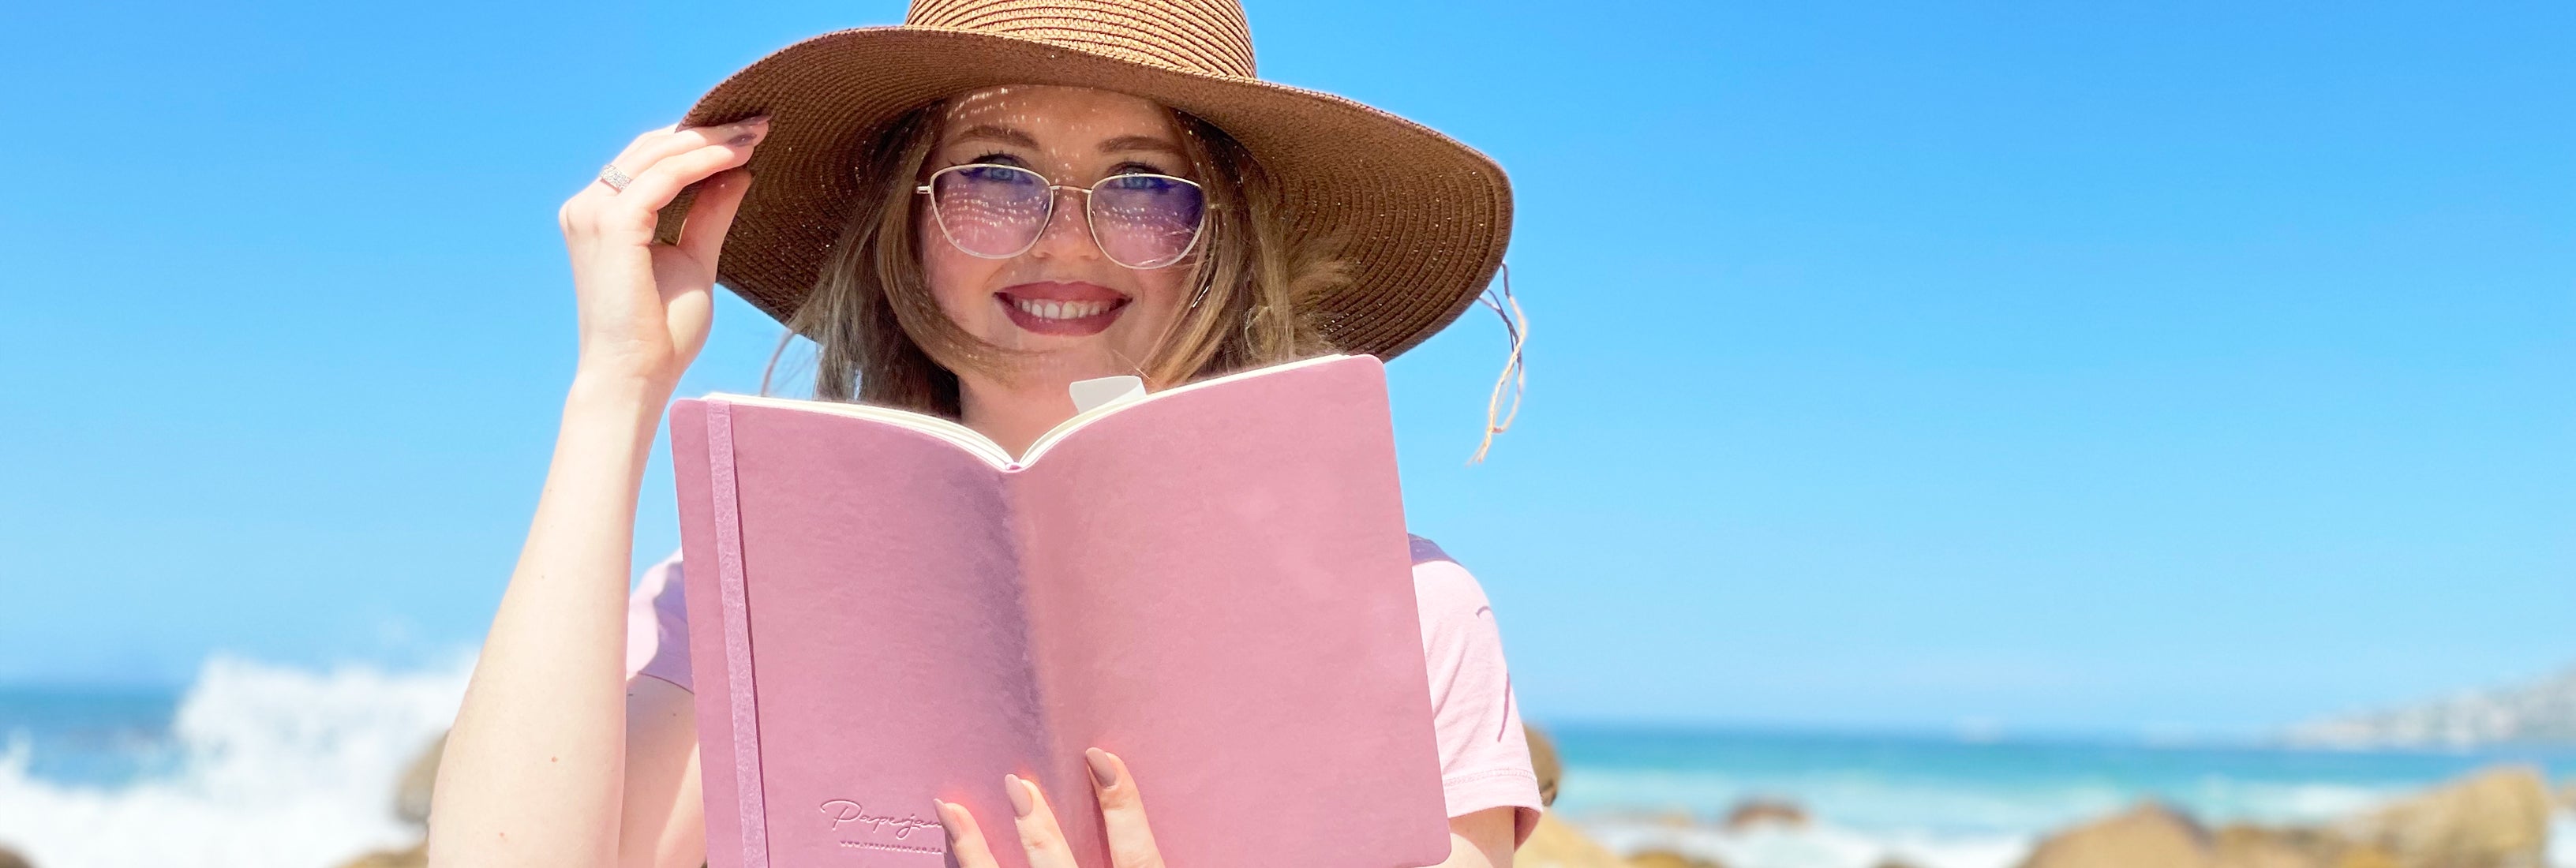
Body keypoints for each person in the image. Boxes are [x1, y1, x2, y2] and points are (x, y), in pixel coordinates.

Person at [429, 2, 1537, 866]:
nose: (1066, 240)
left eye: (1144, 188)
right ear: (905, 227)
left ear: (1220, 243)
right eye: (995, 179)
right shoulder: (740, 599)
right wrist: (617, 384)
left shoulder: (1404, 616)